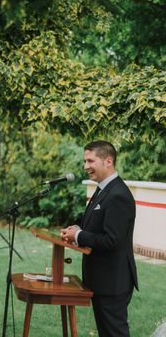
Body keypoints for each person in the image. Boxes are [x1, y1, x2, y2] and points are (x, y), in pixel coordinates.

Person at [61, 141, 138, 337]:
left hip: (113, 281)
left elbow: (112, 240)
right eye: (84, 161)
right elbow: (98, 230)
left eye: (90, 161)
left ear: (108, 161)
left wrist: (78, 235)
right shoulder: (103, 189)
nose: (85, 166)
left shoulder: (118, 194)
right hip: (103, 280)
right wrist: (79, 231)